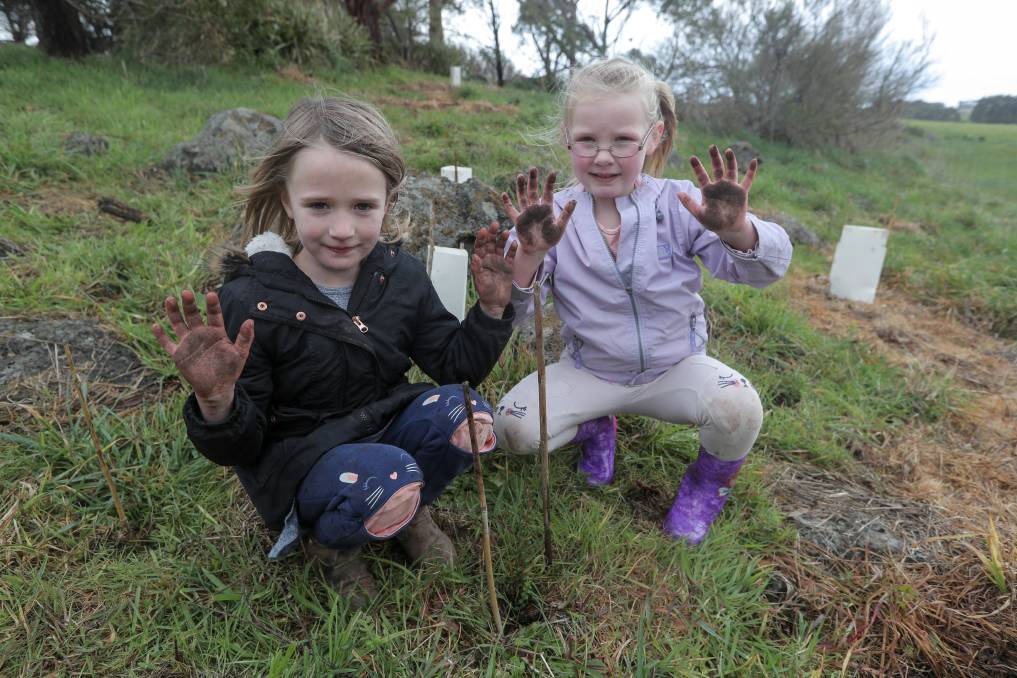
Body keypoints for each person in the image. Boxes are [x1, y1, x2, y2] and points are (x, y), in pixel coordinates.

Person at [152, 96, 518, 607]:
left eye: (363, 206)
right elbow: (243, 447)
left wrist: (493, 308)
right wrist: (217, 402)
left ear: (388, 200)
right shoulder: (248, 301)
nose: (342, 229)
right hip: (303, 458)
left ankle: (408, 507)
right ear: (286, 199)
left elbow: (458, 368)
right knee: (380, 476)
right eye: (319, 205)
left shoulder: (401, 276)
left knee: (468, 416)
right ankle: (331, 543)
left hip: (384, 424)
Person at [494, 57, 793, 545]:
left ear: (652, 137)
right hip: (592, 371)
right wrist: (528, 255)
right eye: (588, 140)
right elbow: (512, 313)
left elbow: (764, 270)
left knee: (740, 409)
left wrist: (737, 228)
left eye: (623, 141)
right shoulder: (548, 218)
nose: (604, 157)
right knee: (514, 430)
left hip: (674, 371)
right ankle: (595, 426)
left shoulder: (681, 204)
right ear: (567, 138)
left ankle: (703, 486)